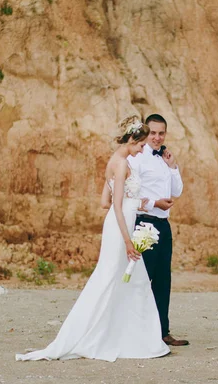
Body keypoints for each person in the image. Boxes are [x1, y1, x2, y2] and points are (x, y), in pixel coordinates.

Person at [16, 116, 170, 363]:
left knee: (121, 279)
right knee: (115, 279)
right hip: (122, 227)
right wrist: (129, 241)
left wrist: (136, 203)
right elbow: (117, 208)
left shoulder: (114, 161)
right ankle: (110, 337)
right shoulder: (122, 165)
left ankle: (122, 335)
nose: (143, 149)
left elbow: (104, 202)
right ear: (134, 140)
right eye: (141, 145)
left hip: (118, 224)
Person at [128, 113, 189, 347]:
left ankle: (162, 331)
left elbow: (178, 191)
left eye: (161, 133)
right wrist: (154, 203)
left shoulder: (165, 157)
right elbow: (130, 194)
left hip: (164, 224)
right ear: (145, 132)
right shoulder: (137, 158)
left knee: (163, 279)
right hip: (144, 222)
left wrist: (172, 167)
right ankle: (139, 333)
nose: (157, 137)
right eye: (152, 133)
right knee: (143, 280)